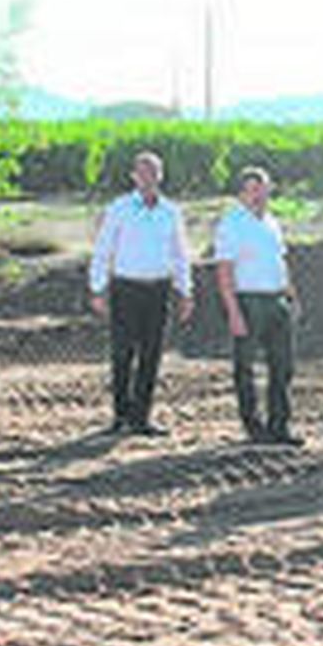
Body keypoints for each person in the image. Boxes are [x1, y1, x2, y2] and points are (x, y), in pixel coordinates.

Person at [89, 151, 194, 437]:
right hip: (125, 288)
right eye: (142, 173)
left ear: (160, 176)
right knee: (123, 353)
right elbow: (103, 250)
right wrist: (97, 288)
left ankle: (142, 418)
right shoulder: (119, 208)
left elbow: (180, 254)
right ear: (134, 176)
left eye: (153, 173)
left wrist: (186, 292)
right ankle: (121, 416)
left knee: (151, 355)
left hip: (158, 290)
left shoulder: (171, 212)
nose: (147, 178)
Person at [213, 165, 302, 446]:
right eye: (252, 190)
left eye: (263, 190)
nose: (259, 195)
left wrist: (292, 296)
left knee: (283, 366)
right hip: (248, 301)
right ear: (241, 194)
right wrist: (234, 312)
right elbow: (224, 270)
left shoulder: (272, 222)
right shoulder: (231, 223)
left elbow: (280, 262)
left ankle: (280, 426)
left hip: (277, 300)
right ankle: (254, 428)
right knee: (245, 368)